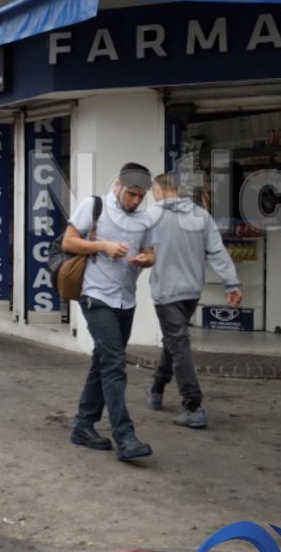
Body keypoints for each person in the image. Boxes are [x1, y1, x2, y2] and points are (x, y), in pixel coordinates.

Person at [63, 162, 159, 462]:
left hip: (126, 301)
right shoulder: (94, 206)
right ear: (118, 185)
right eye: (131, 194)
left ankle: (83, 424)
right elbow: (68, 241)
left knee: (102, 361)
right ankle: (125, 436)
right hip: (95, 296)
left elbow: (152, 253)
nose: (135, 201)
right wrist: (102, 246)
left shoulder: (145, 219)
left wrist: (145, 260)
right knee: (115, 364)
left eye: (140, 196)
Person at [145, 173, 242, 429]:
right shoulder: (200, 216)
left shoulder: (150, 217)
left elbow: (135, 250)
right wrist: (231, 283)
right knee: (174, 341)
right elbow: (217, 251)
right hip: (191, 291)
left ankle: (193, 405)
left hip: (166, 292)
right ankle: (156, 388)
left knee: (178, 345)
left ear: (158, 190)